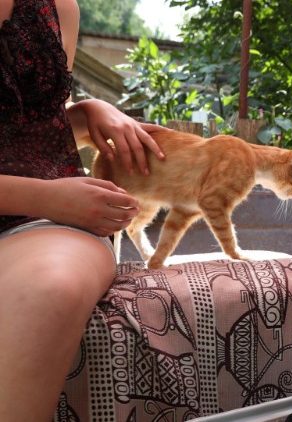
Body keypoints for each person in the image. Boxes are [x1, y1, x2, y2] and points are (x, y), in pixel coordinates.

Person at [0, 0, 166, 419]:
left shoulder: (59, 9)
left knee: (53, 285)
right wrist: (47, 197)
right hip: (46, 207)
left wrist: (90, 111)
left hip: (35, 227)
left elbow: (30, 125)